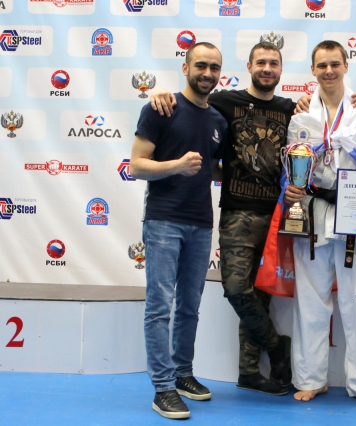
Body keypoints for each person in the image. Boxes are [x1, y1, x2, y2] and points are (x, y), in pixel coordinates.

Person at [150, 42, 356, 396]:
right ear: (249, 66)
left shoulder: (294, 109)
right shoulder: (225, 101)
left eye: (274, 63)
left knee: (261, 291)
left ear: (281, 70)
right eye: (261, 63)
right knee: (237, 288)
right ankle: (276, 345)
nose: (267, 68)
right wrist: (162, 93)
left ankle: (250, 371)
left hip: (280, 214)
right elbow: (193, 100)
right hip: (238, 212)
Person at [261, 40, 356, 404]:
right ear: (313, 70)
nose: (329, 71)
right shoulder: (302, 117)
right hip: (312, 216)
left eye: (335, 64)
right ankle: (310, 378)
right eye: (322, 65)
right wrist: (290, 189)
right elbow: (291, 170)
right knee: (310, 302)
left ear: (346, 65)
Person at [130, 42, 228, 420]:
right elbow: (136, 165)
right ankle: (163, 388)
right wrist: (176, 165)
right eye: (201, 65)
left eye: (214, 68)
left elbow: (213, 168)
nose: (207, 73)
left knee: (189, 306)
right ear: (185, 67)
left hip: (201, 222)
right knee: (159, 306)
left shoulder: (218, 121)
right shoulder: (161, 108)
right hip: (164, 220)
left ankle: (183, 373)